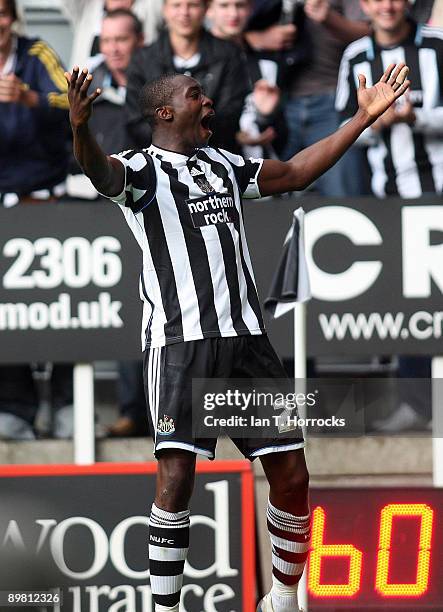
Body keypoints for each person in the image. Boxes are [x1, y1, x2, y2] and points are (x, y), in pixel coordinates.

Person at [66, 58, 409, 611]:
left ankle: (282, 597)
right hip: (182, 343)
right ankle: (166, 606)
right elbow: (99, 173)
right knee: (176, 480)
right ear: (165, 111)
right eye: (196, 95)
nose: (209, 104)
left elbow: (296, 172)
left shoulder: (223, 165)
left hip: (248, 340)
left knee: (293, 475)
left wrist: (361, 119)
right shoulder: (141, 171)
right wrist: (80, 129)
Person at [336, 0, 441, 431]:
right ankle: (417, 405)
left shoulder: (437, 46)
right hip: (390, 201)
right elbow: (342, 129)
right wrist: (368, 123)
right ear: (364, 4)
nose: (388, 5)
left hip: (439, 195)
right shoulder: (356, 56)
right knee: (409, 304)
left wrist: (416, 116)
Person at [246, 0, 370, 195]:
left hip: (331, 96)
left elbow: (372, 32)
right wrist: (254, 38)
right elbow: (222, 17)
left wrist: (329, 17)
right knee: (272, 191)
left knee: (341, 193)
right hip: (276, 100)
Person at [125, 0, 250, 152]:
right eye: (176, 5)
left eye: (193, 5)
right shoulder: (142, 59)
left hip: (215, 158)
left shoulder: (229, 54)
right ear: (165, 10)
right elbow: (136, 120)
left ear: (205, 10)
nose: (184, 13)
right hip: (156, 162)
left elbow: (230, 115)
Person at [207, 0, 288, 159]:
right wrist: (233, 136)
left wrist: (265, 118)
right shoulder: (196, 60)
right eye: (224, 5)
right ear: (208, 10)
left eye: (240, 5)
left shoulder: (266, 63)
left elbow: (282, 131)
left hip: (260, 168)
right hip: (212, 167)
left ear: (250, 9)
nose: (233, 14)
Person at [60, 0, 163, 71]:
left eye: (121, 39)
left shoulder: (149, 8)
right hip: (84, 94)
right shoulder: (88, 8)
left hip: (135, 94)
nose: (113, 49)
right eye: (105, 40)